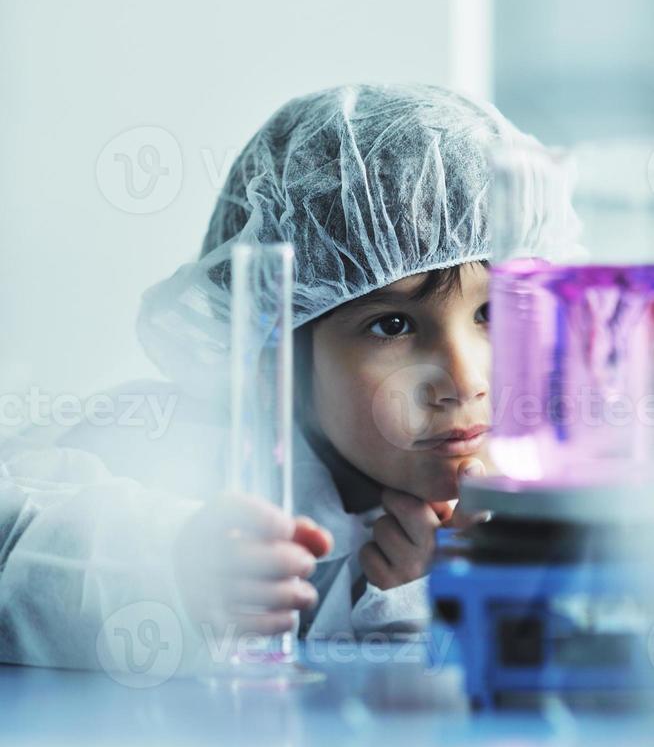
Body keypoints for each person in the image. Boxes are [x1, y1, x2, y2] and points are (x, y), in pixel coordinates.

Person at [0, 84, 546, 668]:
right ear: (274, 348)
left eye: (493, 312)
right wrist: (171, 565)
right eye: (392, 325)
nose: (464, 382)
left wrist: (426, 605)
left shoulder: (557, 502)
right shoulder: (182, 447)